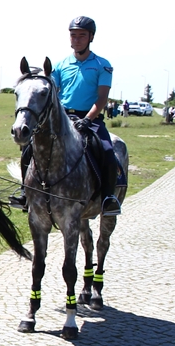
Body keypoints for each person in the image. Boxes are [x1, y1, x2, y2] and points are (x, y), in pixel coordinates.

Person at [10, 16, 123, 216]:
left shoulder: (102, 65)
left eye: (82, 35)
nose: (77, 39)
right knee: (29, 147)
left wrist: (87, 119)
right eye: (73, 35)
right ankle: (25, 192)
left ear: (91, 37)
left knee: (106, 149)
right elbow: (48, 88)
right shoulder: (61, 65)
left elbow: (102, 98)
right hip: (63, 118)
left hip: (90, 119)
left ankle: (108, 198)